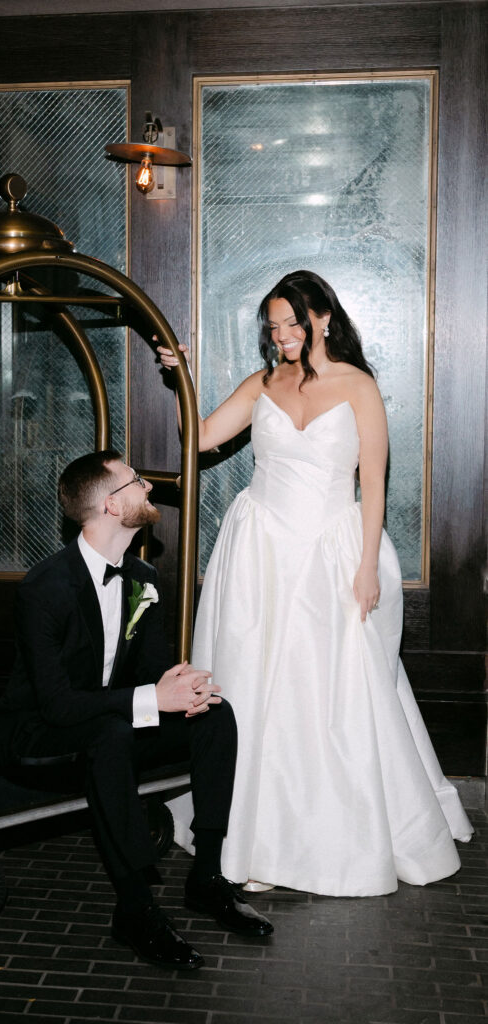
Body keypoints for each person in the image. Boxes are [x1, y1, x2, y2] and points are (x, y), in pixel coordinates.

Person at [157, 269, 473, 897]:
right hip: (260, 551)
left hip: (329, 551)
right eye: (273, 327)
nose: (283, 336)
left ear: (324, 317)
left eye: (293, 323)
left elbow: (374, 484)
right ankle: (252, 833)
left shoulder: (359, 387)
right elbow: (199, 441)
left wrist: (365, 567)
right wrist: (179, 380)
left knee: (327, 692)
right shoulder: (262, 383)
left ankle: (328, 835)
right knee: (252, 687)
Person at [0, 449, 273, 971]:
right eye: (136, 482)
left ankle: (206, 879)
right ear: (112, 508)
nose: (148, 487)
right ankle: (136, 909)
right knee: (109, 736)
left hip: (111, 721)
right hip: (40, 734)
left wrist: (177, 689)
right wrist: (149, 700)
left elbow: (151, 675)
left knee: (216, 714)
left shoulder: (142, 576)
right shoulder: (43, 589)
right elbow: (55, 705)